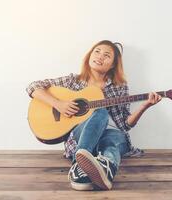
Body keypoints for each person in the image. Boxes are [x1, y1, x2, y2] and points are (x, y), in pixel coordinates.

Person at [26, 40, 162, 191]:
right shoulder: (73, 81)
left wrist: (145, 105)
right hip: (83, 135)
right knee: (100, 111)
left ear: (112, 65)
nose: (100, 56)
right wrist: (58, 103)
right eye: (97, 51)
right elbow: (33, 87)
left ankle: (96, 170)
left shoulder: (120, 87)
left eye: (107, 55)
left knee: (112, 139)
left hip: (114, 134)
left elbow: (125, 125)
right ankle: (83, 161)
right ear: (90, 55)